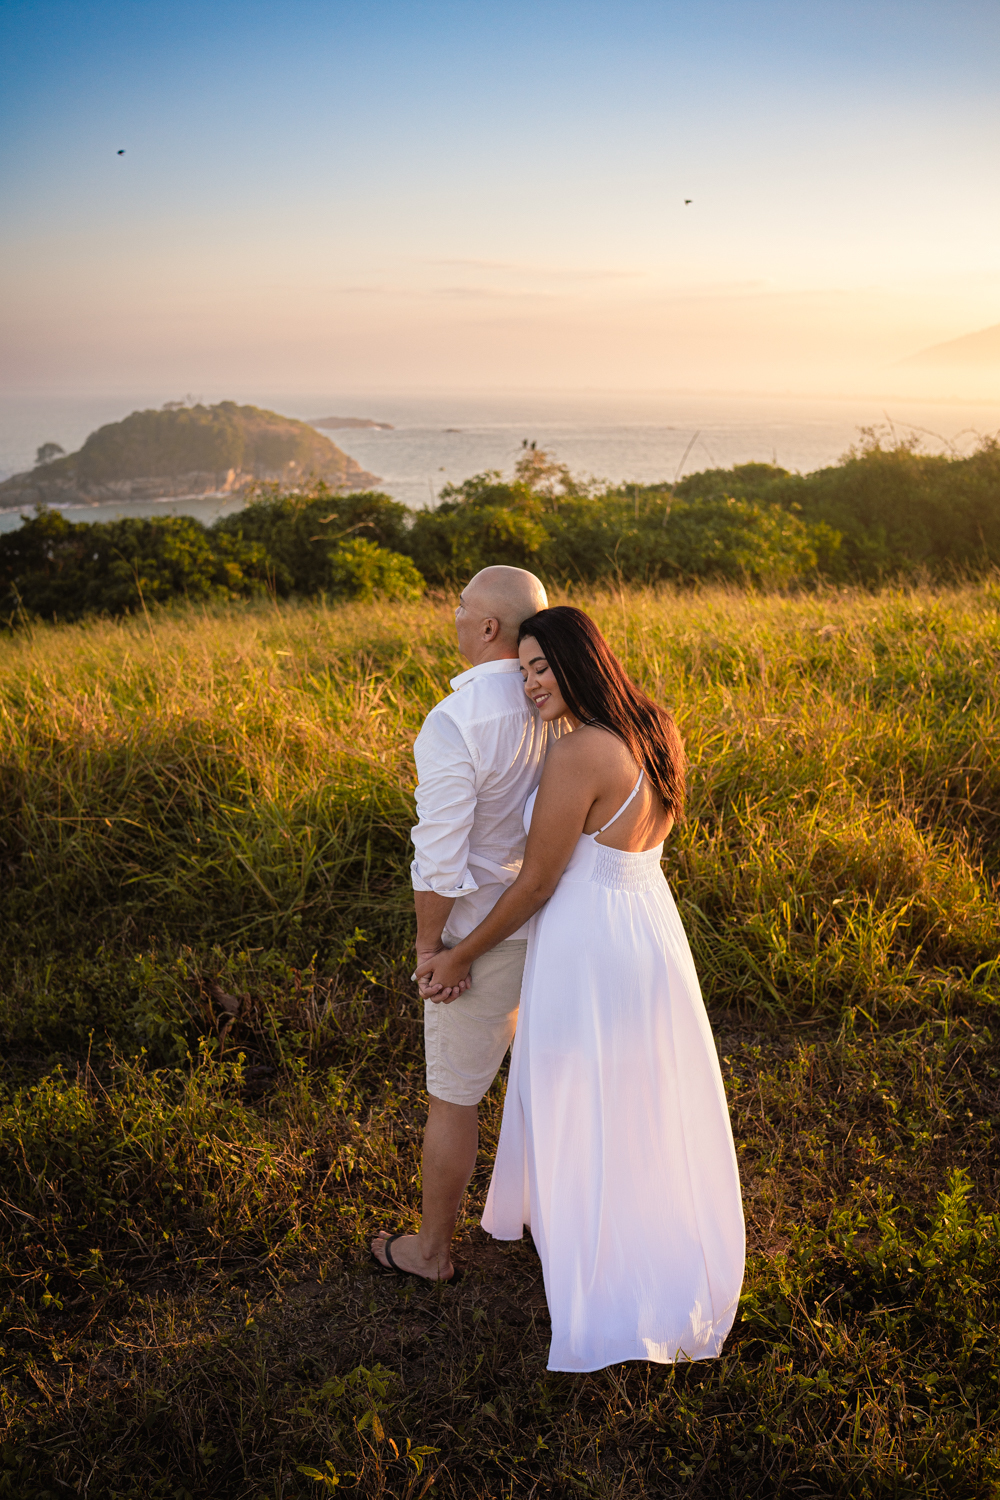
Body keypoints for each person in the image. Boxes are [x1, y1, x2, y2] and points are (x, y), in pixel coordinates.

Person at [416, 606, 745, 1371]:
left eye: (542, 668)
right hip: (648, 928)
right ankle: (628, 1231)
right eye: (523, 670)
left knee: (579, 1096)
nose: (531, 684)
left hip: (588, 941)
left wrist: (461, 952)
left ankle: (600, 1274)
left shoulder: (579, 753)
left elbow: (535, 884)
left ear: (582, 662)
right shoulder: (655, 726)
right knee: (635, 1094)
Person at [371, 564, 552, 1282]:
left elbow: (439, 858)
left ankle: (431, 1251)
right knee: (546, 1082)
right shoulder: (554, 700)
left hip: (477, 936)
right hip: (554, 924)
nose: (451, 614)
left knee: (454, 1098)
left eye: (461, 605)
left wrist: (431, 948)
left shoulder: (459, 719)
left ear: (486, 628)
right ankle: (545, 1220)